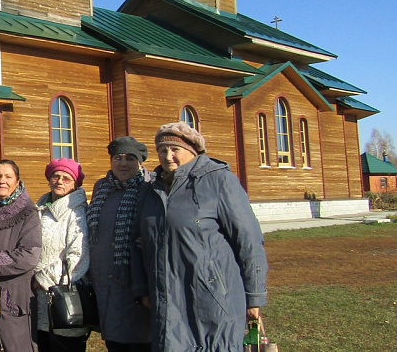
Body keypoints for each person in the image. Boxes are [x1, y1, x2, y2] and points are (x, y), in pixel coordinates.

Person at [136, 122, 268, 351]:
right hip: (167, 302)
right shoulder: (151, 189)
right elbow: (139, 241)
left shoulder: (219, 181)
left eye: (175, 150)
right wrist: (142, 290)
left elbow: (248, 241)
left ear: (192, 151)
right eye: (162, 150)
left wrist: (254, 297)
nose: (168, 157)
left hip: (214, 300)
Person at [87, 137, 152, 352]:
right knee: (114, 342)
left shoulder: (148, 188)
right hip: (104, 282)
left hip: (135, 281)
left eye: (130, 158)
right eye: (118, 158)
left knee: (140, 341)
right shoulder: (102, 187)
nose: (123, 163)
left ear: (140, 162)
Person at [0, 159, 42, 352]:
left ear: (17, 182)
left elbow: (29, 255)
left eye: (8, 176)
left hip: (14, 298)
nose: (2, 181)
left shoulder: (28, 214)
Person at [34, 158, 90, 351]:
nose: (59, 181)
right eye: (55, 176)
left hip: (63, 298)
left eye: (66, 178)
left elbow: (78, 257)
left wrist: (42, 280)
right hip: (40, 301)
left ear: (75, 183)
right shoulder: (40, 210)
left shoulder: (76, 213)